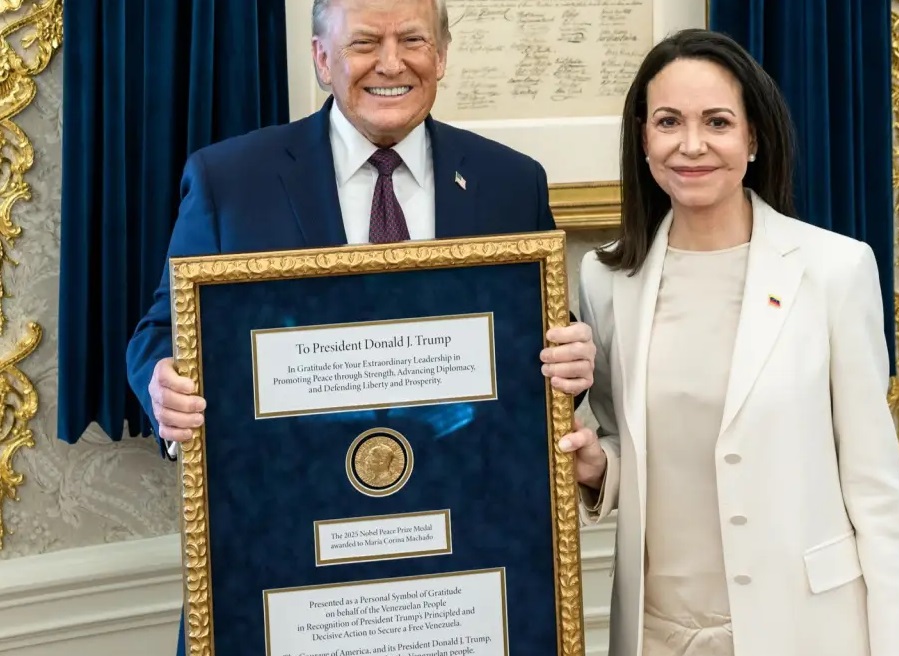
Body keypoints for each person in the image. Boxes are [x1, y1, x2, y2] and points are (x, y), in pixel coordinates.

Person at [124, 0, 595, 653]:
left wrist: (572, 361)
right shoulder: (231, 181)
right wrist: (162, 384)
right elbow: (162, 331)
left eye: (413, 40)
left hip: (460, 558)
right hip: (284, 550)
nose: (392, 63)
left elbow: (540, 338)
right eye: (366, 42)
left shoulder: (508, 181)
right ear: (322, 59)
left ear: (442, 55)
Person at [560, 28, 899, 656]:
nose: (692, 145)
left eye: (718, 122)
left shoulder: (834, 269)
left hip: (806, 627)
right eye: (669, 121)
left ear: (753, 137)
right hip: (655, 631)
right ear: (643, 137)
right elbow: (628, 438)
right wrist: (599, 469)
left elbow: (874, 490)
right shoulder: (606, 278)